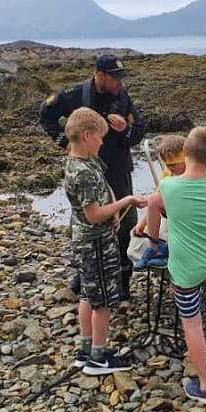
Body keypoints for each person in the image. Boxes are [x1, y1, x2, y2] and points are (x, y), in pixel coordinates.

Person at [39, 54, 146, 298]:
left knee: (125, 222)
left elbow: (140, 130)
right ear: (99, 75)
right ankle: (84, 275)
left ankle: (122, 282)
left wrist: (125, 129)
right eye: (114, 77)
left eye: (121, 77)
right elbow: (46, 115)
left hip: (117, 167)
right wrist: (66, 143)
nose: (119, 82)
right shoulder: (75, 94)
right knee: (87, 220)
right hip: (88, 168)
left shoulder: (122, 95)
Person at [63, 107, 147, 375]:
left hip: (85, 239)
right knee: (102, 302)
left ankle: (85, 349)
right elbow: (94, 214)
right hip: (95, 244)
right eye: (100, 137)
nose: (102, 142)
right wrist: (127, 201)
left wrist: (113, 210)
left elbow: (99, 199)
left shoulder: (80, 162)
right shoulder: (84, 172)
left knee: (88, 294)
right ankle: (98, 359)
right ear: (87, 136)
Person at [159, 127, 206, 403]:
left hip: (186, 266)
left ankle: (205, 386)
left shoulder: (168, 186)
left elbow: (163, 209)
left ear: (184, 152)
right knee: (193, 293)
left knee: (192, 325)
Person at [129, 135, 187, 269]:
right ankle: (155, 247)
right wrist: (142, 224)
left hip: (190, 216)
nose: (170, 168)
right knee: (153, 199)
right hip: (172, 215)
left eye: (173, 165)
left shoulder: (197, 173)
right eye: (167, 165)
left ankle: (175, 250)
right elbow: (156, 196)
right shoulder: (168, 173)